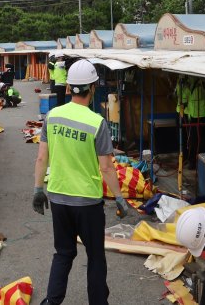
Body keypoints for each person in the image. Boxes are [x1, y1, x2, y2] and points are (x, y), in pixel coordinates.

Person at [32, 59, 128, 305]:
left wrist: (38, 189)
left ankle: (52, 301)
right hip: (87, 202)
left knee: (63, 253)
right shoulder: (97, 122)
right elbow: (106, 167)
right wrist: (119, 197)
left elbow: (42, 156)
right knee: (95, 256)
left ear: (68, 88)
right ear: (92, 87)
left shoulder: (52, 116)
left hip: (59, 197)